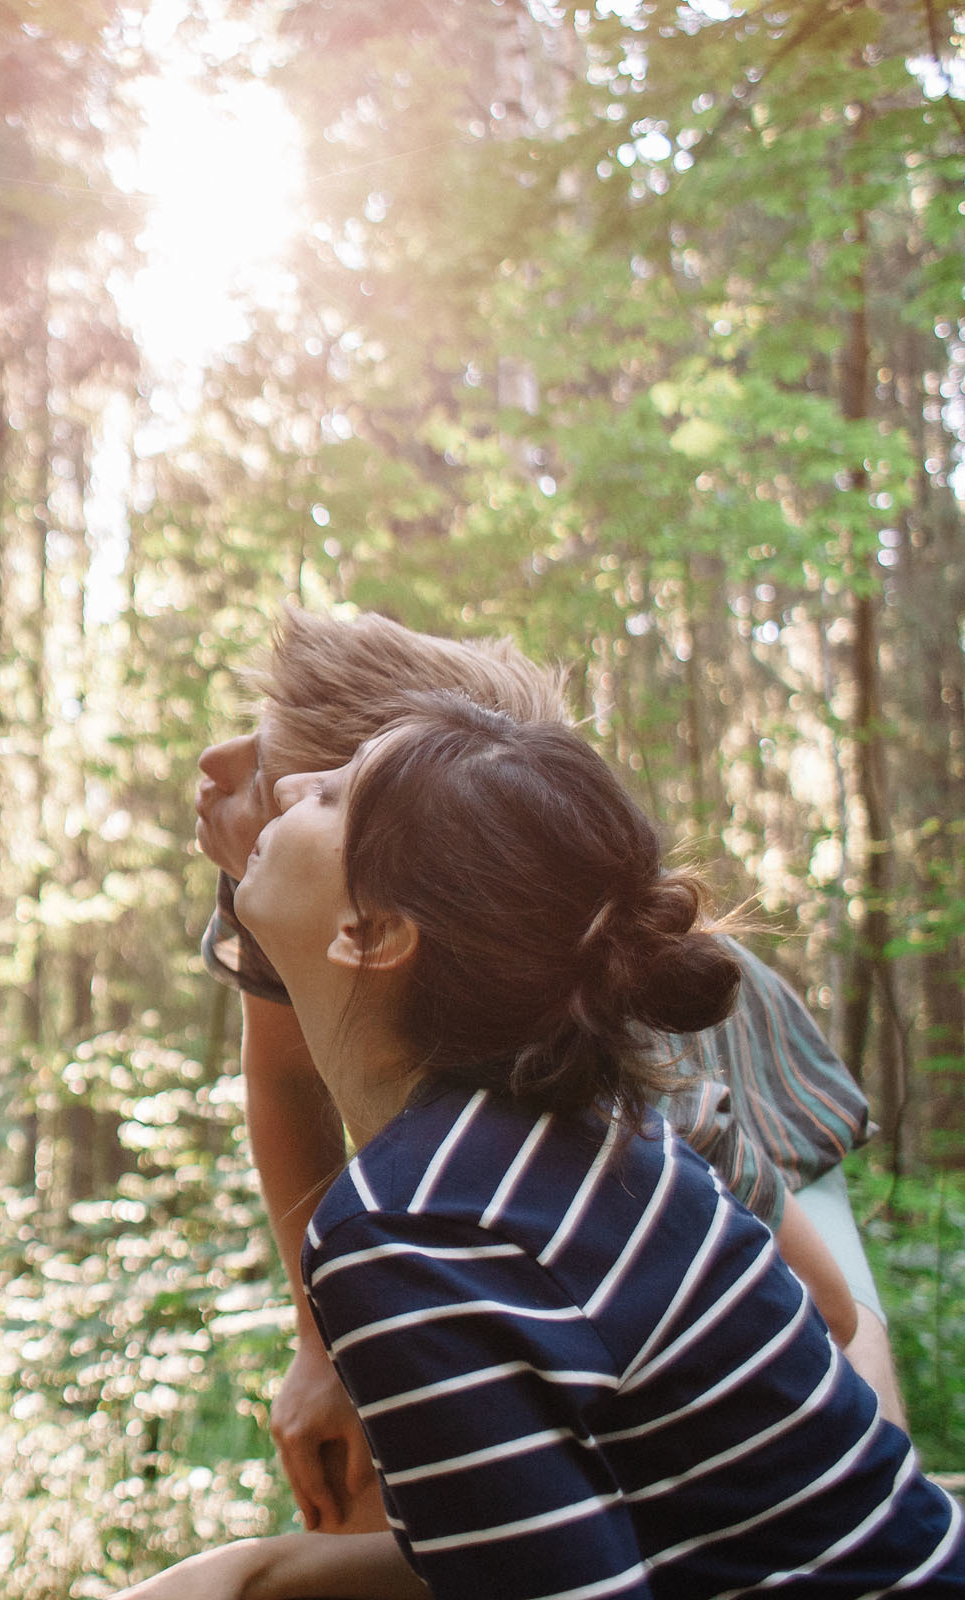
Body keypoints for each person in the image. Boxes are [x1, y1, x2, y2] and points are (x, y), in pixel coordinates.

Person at [122, 696, 965, 1599]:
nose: (293, 783)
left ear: (372, 933)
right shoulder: (594, 1139)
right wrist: (251, 1573)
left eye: (333, 797)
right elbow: (567, 1541)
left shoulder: (410, 1235)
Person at [194, 609, 901, 1536]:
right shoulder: (284, 887)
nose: (218, 762)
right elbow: (285, 1082)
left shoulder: (626, 1086)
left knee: (841, 1424)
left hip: (737, 1087)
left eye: (276, 773)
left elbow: (823, 1316)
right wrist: (319, 1347)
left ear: (392, 885)